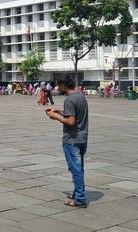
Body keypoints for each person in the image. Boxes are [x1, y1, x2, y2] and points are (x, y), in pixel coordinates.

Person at [45, 74, 89, 208]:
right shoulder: (80, 96)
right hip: (82, 138)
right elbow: (73, 114)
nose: (58, 88)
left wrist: (54, 117)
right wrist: (59, 111)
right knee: (79, 167)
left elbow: (71, 121)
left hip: (72, 140)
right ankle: (77, 193)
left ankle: (80, 198)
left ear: (63, 85)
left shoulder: (69, 100)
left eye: (58, 86)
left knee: (76, 169)